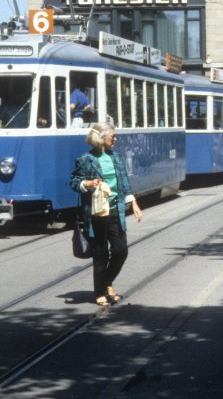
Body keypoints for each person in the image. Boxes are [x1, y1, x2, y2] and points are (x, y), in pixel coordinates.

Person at [69, 122, 143, 307]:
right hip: (97, 213)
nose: (116, 139)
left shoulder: (115, 157)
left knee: (121, 250)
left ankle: (107, 281)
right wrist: (87, 184)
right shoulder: (85, 159)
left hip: (115, 210)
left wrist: (133, 203)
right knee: (100, 254)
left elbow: (123, 181)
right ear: (101, 138)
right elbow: (74, 182)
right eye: (113, 136)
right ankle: (100, 291)